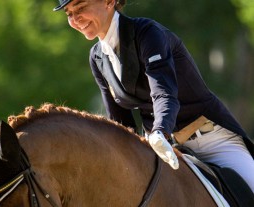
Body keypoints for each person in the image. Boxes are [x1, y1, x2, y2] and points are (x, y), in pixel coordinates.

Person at [53, 0, 254, 191]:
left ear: (109, 1)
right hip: (160, 150)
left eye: (80, 7)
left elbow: (164, 93)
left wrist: (160, 131)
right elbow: (120, 122)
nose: (74, 18)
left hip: (210, 141)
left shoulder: (147, 33)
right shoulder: (97, 57)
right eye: (69, 14)